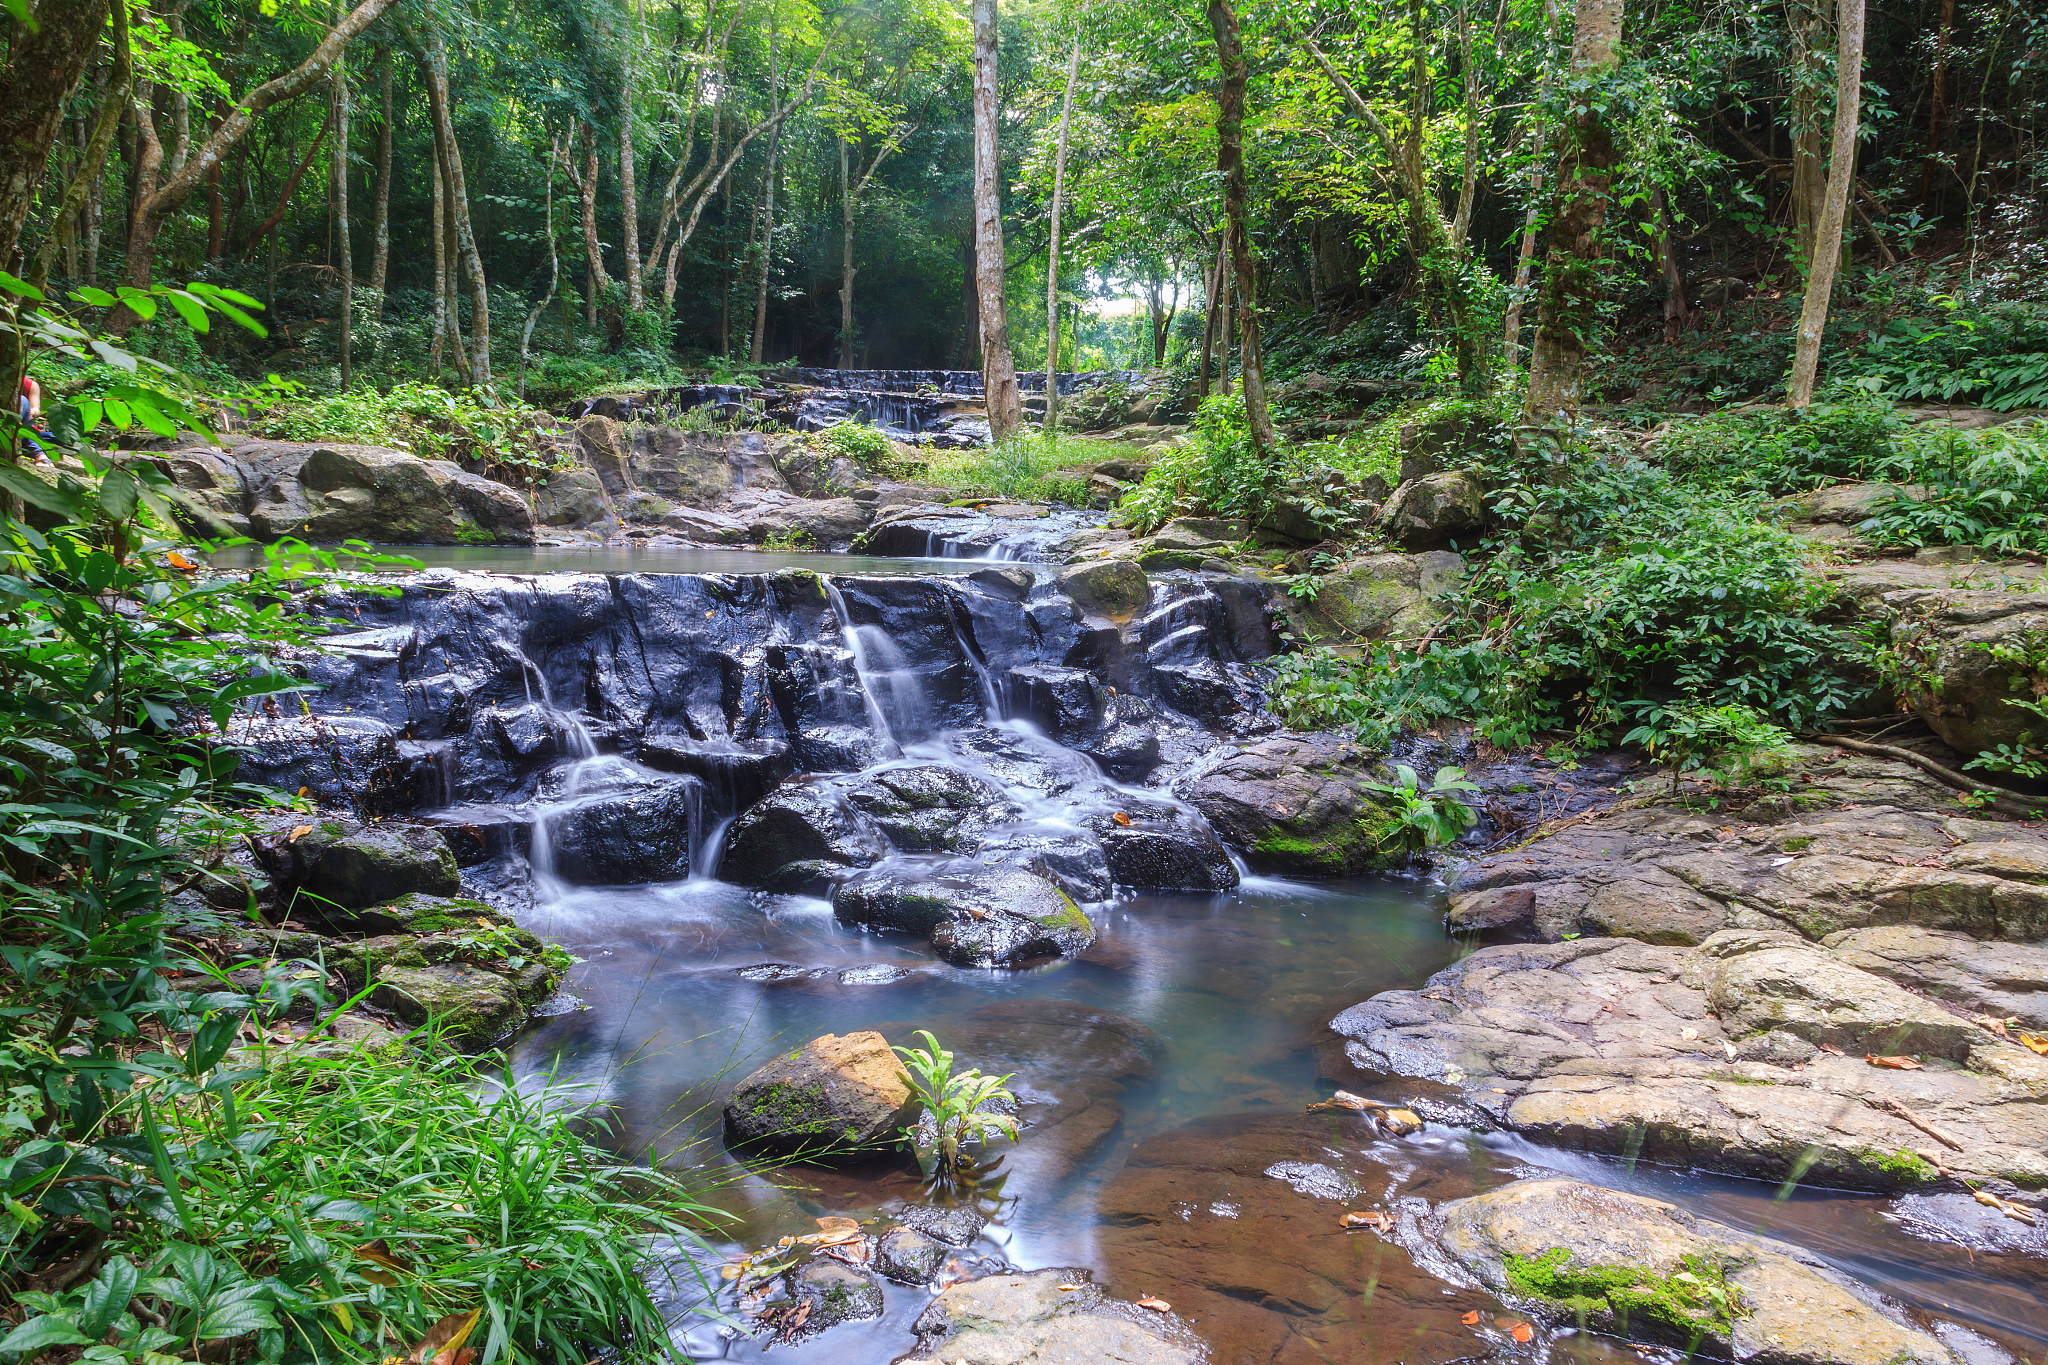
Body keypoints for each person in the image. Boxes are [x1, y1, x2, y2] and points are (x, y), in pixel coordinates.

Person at [17, 375, 53, 466]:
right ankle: (39, 453)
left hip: (25, 425)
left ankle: (38, 451)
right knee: (22, 400)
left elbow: (36, 409)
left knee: (55, 438)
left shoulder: (31, 385)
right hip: (11, 427)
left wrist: (32, 412)